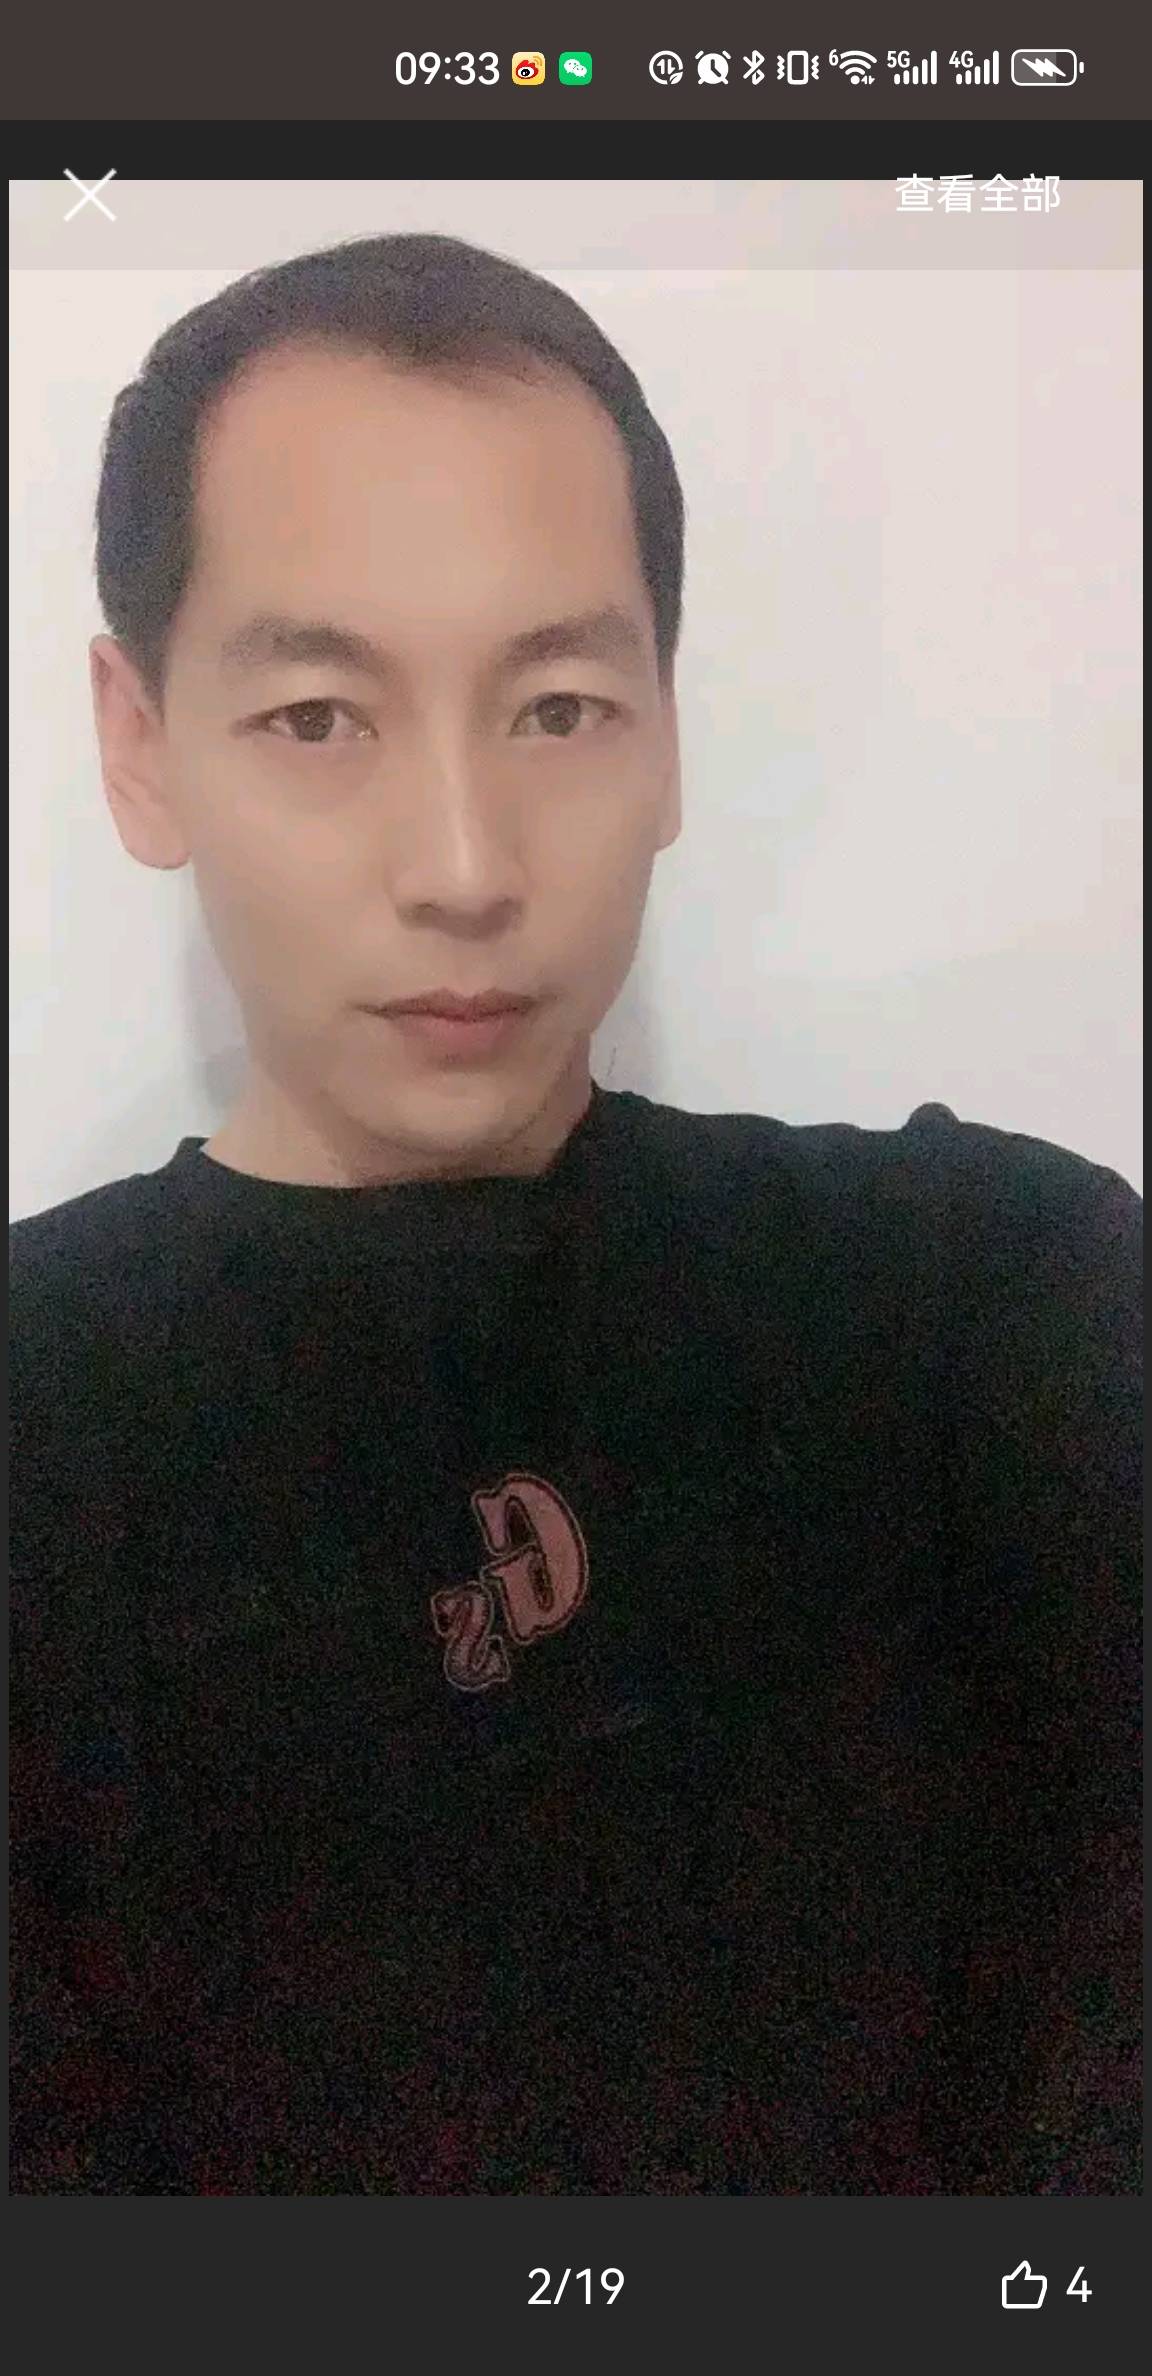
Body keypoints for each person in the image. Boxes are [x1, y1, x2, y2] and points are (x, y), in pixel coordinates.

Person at [9, 233, 1141, 2196]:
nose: (464, 866)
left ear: (669, 729)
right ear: (140, 742)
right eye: (318, 718)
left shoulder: (989, 1302)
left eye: (557, 709)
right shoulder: (39, 1424)